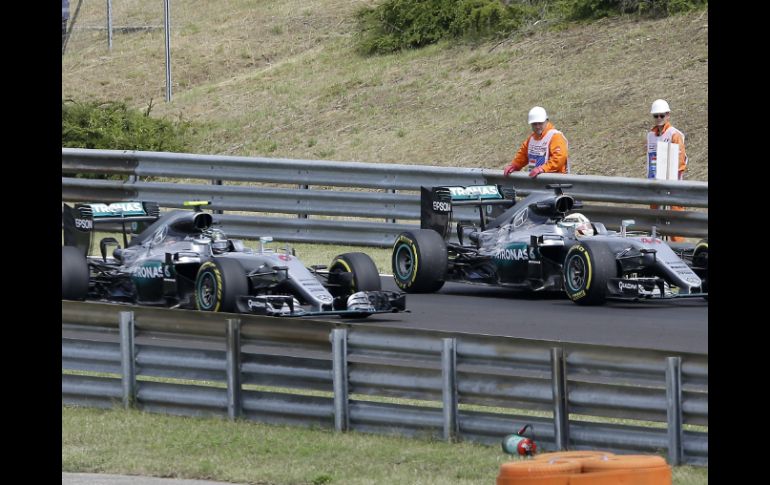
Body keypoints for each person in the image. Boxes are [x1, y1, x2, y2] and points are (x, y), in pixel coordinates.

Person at [647, 99, 687, 242]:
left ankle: (679, 251)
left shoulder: (674, 134)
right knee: (655, 223)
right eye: (656, 115)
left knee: (675, 224)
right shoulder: (650, 136)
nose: (659, 118)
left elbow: (681, 162)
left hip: (672, 186)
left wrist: (670, 181)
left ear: (668, 115)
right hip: (655, 185)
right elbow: (649, 159)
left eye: (662, 115)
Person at [503, 106, 569, 178]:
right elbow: (523, 155)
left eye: (540, 123)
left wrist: (543, 169)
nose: (537, 126)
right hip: (536, 180)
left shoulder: (555, 136)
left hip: (555, 181)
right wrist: (515, 165)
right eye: (534, 124)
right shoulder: (531, 139)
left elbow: (559, 158)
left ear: (547, 121)